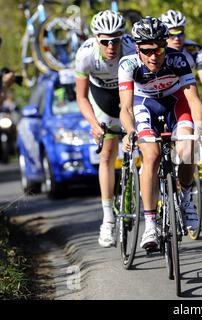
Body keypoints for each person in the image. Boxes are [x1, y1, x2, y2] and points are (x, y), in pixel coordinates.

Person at [118, 17, 202, 250]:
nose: (154, 56)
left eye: (159, 49)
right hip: (144, 105)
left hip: (175, 103)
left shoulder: (179, 60)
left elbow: (193, 100)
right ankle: (150, 224)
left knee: (187, 149)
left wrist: (199, 129)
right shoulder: (128, 64)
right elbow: (125, 108)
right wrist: (129, 132)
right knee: (151, 156)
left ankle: (185, 199)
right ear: (138, 49)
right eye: (147, 50)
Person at [75, 10, 135, 248]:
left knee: (141, 141)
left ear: (123, 38)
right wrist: (93, 123)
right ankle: (108, 218)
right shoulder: (85, 54)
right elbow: (80, 97)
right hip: (102, 97)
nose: (111, 45)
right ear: (96, 39)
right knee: (107, 153)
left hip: (129, 91)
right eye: (105, 41)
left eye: (116, 40)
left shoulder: (132, 49)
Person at [160, 9, 202, 108]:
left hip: (184, 93)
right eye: (171, 34)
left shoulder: (195, 50)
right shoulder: (158, 51)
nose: (177, 38)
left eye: (180, 33)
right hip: (160, 95)